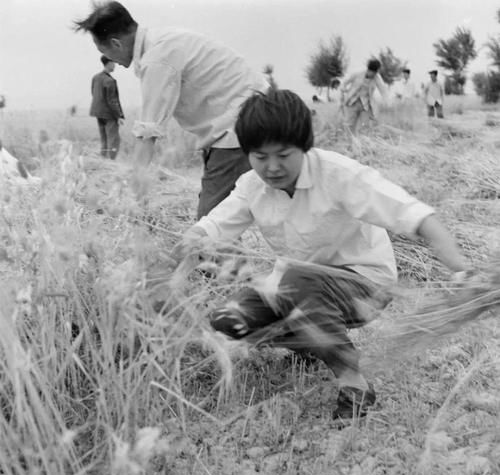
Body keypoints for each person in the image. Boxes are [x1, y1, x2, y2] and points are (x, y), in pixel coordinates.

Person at [171, 89, 469, 424]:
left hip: (364, 282)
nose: (271, 168)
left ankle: (355, 385)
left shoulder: (340, 174)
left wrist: (462, 270)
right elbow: (213, 226)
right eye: (259, 157)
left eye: (283, 155)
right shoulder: (251, 185)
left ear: (304, 145)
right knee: (228, 319)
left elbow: (415, 216)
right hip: (298, 284)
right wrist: (188, 243)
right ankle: (310, 344)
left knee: (296, 280)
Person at [74, 1, 268, 218]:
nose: (111, 61)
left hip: (237, 127)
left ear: (116, 44)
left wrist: (132, 198)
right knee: (224, 217)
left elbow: (148, 133)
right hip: (245, 119)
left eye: (105, 52)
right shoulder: (162, 40)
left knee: (208, 227)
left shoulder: (157, 59)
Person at [90, 55, 124, 160]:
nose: (115, 65)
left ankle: (103, 162)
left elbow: (93, 93)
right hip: (109, 114)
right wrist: (119, 116)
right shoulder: (110, 81)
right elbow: (112, 101)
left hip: (98, 113)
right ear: (109, 63)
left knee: (104, 139)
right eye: (113, 62)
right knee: (114, 140)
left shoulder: (95, 77)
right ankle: (111, 163)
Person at [341, 59, 387, 135]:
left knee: (365, 126)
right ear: (368, 70)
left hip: (365, 105)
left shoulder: (377, 78)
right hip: (352, 102)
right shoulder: (358, 73)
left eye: (375, 73)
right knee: (349, 124)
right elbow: (345, 82)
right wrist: (343, 88)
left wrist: (386, 101)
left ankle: (362, 144)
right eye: (371, 72)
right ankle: (350, 144)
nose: (373, 75)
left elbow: (383, 90)